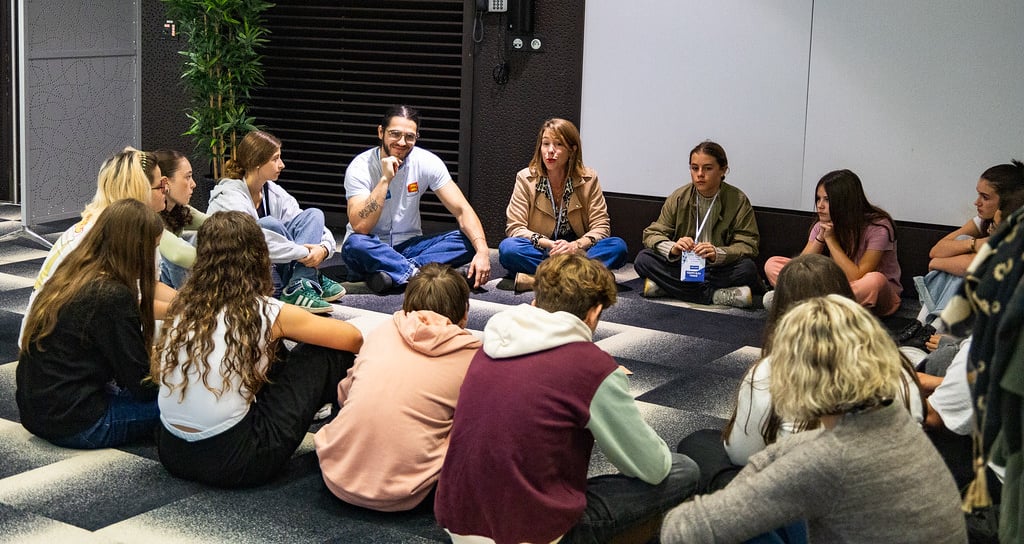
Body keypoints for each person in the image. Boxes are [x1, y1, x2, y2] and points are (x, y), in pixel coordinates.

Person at [434, 253, 700, 543]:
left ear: (537, 300)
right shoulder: (592, 367)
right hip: (530, 534)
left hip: (456, 521)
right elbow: (652, 467)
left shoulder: (490, 343)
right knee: (682, 470)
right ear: (594, 313)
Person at [660, 295, 967, 543]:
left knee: (708, 465)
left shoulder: (827, 462)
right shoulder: (896, 422)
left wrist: (761, 471)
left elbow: (681, 531)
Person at [677, 254, 923, 493]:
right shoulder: (898, 363)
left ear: (781, 310)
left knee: (700, 446)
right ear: (848, 299)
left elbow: (742, 454)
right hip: (892, 498)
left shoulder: (772, 370)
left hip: (812, 508)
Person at [152, 211, 363, 488]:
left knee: (266, 347)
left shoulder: (183, 305)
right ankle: (348, 445)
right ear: (258, 257)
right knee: (326, 354)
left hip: (171, 450)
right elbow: (353, 338)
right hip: (237, 462)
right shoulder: (265, 311)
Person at [314, 263, 480, 512]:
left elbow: (343, 394)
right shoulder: (474, 356)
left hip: (336, 474)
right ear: (465, 312)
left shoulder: (383, 331)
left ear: (406, 304)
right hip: (408, 492)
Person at [17, 199, 163, 449]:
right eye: (154, 248)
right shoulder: (111, 296)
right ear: (136, 248)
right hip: (77, 423)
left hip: (37, 412)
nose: (155, 258)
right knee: (193, 407)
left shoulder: (72, 273)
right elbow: (141, 385)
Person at [341, 105, 491, 294]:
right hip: (372, 247)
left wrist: (483, 251)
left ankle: (395, 274)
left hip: (410, 246)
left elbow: (462, 210)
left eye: (410, 137)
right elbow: (360, 226)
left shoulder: (427, 161)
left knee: (467, 240)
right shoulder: (360, 166)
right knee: (354, 245)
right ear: (381, 132)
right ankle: (423, 276)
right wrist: (385, 180)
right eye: (395, 134)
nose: (402, 142)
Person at [24, 147, 176, 329]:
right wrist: (189, 309)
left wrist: (190, 300)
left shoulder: (128, 226)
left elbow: (148, 285)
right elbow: (124, 304)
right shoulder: (102, 235)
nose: (166, 189)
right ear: (141, 191)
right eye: (161, 184)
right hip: (54, 339)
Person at [207, 130, 344, 314]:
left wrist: (324, 249)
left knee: (314, 215)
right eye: (275, 159)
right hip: (243, 271)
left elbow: (310, 223)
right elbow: (255, 240)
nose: (282, 164)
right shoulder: (230, 197)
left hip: (274, 264)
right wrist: (306, 254)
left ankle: (301, 282)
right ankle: (307, 278)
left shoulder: (272, 191)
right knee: (270, 224)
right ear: (256, 162)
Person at [498, 118, 627, 292]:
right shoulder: (525, 178)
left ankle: (537, 281)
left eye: (558, 144)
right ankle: (586, 279)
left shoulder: (589, 179)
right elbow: (515, 228)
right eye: (545, 144)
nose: (550, 151)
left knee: (617, 247)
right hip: (542, 250)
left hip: (578, 252)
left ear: (572, 150)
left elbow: (602, 227)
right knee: (509, 249)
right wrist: (550, 245)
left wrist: (575, 246)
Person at [634, 140, 761, 308]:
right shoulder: (679, 196)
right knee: (643, 259)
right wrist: (672, 247)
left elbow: (749, 244)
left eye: (707, 168)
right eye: (695, 168)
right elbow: (652, 233)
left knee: (747, 269)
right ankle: (714, 295)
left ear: (723, 170)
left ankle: (669, 288)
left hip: (717, 268)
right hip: (683, 264)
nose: (700, 174)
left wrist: (719, 253)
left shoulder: (737, 200)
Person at [764, 169, 903, 316]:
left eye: (827, 199)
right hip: (834, 289)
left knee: (875, 281)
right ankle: (820, 306)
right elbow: (799, 268)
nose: (820, 205)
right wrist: (820, 238)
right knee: (773, 264)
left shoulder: (879, 227)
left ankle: (800, 303)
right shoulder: (822, 224)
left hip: (873, 295)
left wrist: (831, 240)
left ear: (845, 201)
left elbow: (856, 276)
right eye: (818, 199)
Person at [915, 160, 1024, 328]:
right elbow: (937, 250)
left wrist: (938, 263)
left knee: (962, 262)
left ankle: (933, 325)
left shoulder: (1016, 226)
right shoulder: (983, 220)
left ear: (1007, 202)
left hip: (1000, 304)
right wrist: (974, 243)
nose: (977, 202)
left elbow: (974, 266)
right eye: (978, 194)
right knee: (961, 241)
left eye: (985, 197)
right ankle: (924, 324)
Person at [155, 149, 207, 289]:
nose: (193, 184)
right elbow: (178, 255)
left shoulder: (179, 208)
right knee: (174, 261)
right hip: (153, 288)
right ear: (165, 182)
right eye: (187, 177)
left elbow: (217, 223)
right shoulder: (149, 215)